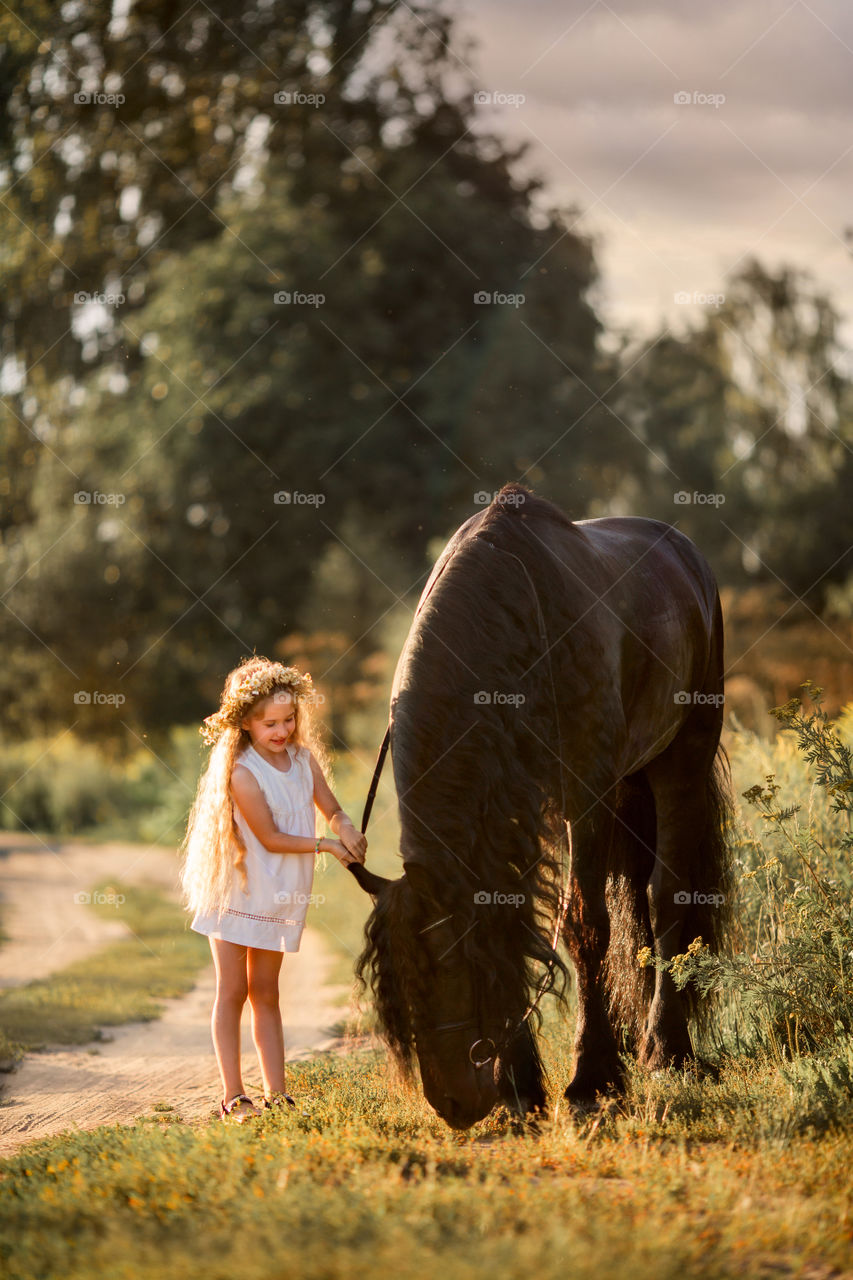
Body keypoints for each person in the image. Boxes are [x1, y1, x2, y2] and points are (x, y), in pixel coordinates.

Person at [180, 655, 367, 1122]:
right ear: (245, 722)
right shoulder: (243, 772)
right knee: (233, 991)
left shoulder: (304, 761)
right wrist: (326, 846)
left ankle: (277, 1093)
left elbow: (332, 807)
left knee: (267, 992)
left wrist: (346, 829)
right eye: (270, 724)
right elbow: (270, 838)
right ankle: (233, 1095)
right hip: (238, 891)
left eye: (288, 720)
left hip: (279, 894)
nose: (281, 731)